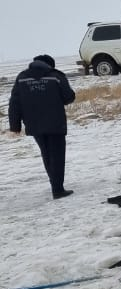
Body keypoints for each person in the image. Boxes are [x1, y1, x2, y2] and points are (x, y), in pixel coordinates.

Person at [7, 55, 77, 199]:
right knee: (57, 155)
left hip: (34, 124)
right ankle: (57, 189)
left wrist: (15, 126)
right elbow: (68, 97)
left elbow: (14, 102)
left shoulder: (22, 78)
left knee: (46, 153)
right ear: (49, 65)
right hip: (55, 122)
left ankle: (55, 184)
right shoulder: (56, 76)